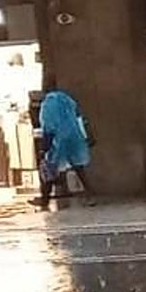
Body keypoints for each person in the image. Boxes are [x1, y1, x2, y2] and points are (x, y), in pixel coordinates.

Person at [30, 78, 92, 208]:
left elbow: (49, 126)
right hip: (75, 137)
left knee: (49, 168)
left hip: (58, 140)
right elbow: (79, 117)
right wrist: (86, 136)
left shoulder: (47, 103)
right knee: (79, 167)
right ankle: (90, 194)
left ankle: (45, 199)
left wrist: (44, 147)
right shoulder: (67, 99)